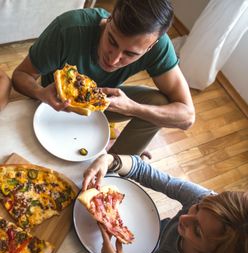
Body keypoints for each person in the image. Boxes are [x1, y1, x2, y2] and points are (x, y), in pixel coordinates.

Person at [36, 153, 248, 253]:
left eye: (197, 231)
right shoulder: (212, 206)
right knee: (87, 239)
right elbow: (146, 172)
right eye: (196, 208)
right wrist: (109, 160)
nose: (184, 219)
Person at [12, 0, 195, 155]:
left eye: (130, 54)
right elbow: (21, 75)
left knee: (159, 102)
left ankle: (115, 166)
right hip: (56, 105)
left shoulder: (160, 47)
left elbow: (187, 118)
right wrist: (41, 92)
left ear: (150, 46)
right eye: (112, 41)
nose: (114, 59)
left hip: (104, 106)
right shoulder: (68, 28)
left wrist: (133, 108)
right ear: (109, 19)